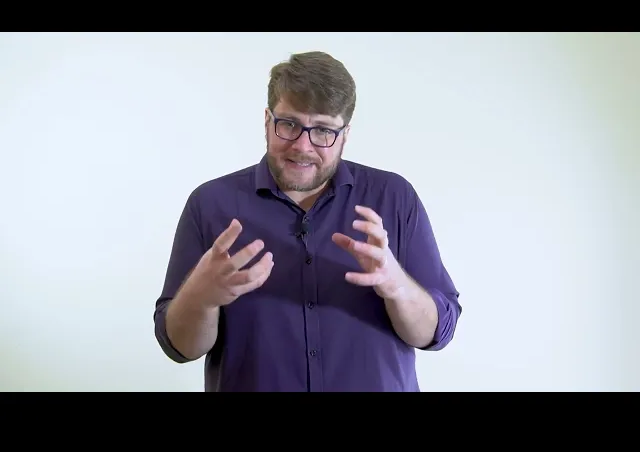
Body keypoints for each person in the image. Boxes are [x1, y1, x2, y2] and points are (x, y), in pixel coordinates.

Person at [153, 51, 462, 392]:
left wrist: (397, 286)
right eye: (289, 124)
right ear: (267, 120)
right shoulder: (209, 204)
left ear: (345, 134)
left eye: (323, 131)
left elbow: (437, 333)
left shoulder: (395, 197)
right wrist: (200, 298)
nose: (303, 146)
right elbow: (179, 347)